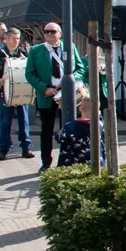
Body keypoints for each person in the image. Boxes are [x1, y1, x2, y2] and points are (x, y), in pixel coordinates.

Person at [25, 22, 86, 174]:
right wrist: (44, 88)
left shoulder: (70, 47)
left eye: (53, 31)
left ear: (60, 33)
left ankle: (68, 160)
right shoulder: (36, 50)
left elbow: (80, 68)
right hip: (47, 95)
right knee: (46, 130)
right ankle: (46, 163)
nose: (49, 34)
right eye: (46, 32)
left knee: (69, 128)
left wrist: (69, 81)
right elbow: (29, 74)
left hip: (68, 94)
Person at [0, 28, 33, 161]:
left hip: (22, 92)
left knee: (24, 121)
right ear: (7, 39)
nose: (16, 41)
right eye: (13, 38)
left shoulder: (25, 54)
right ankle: (4, 149)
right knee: (5, 122)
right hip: (5, 93)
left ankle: (26, 148)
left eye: (18, 38)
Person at [55, 99, 105, 167]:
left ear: (80, 109)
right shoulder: (100, 124)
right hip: (96, 160)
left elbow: (59, 138)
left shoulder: (70, 126)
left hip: (74, 162)